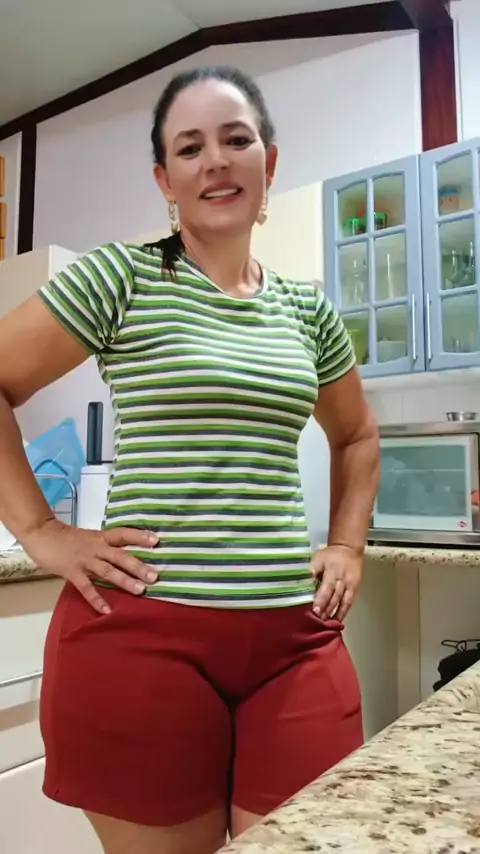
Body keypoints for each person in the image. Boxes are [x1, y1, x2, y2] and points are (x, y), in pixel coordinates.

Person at [0, 66, 380, 854]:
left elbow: (357, 437)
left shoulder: (307, 310)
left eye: (236, 139)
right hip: (142, 636)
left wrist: (348, 544)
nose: (216, 161)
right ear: (164, 179)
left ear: (268, 163)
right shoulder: (122, 277)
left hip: (296, 641)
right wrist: (42, 531)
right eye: (190, 147)